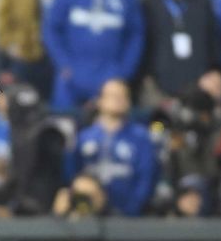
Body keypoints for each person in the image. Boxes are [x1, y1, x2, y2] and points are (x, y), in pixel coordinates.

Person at [43, 0, 144, 111]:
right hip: (72, 78)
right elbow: (51, 29)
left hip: (111, 80)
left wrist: (124, 72)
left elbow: (136, 35)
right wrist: (64, 64)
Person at [139, 0, 221, 99]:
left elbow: (214, 39)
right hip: (160, 87)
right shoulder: (147, 2)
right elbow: (143, 43)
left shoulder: (202, 0)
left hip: (200, 87)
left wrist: (216, 71)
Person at [64, 79, 158, 216]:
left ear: (129, 102)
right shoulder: (83, 137)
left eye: (122, 96)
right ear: (100, 100)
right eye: (112, 96)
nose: (117, 100)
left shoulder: (141, 138)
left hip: (128, 215)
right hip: (88, 214)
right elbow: (71, 174)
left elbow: (146, 178)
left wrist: (132, 210)